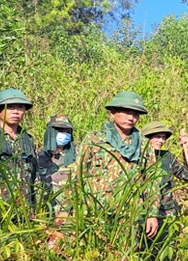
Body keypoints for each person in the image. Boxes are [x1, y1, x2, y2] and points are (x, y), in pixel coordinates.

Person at [54, 91, 160, 241]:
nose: (131, 117)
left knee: (125, 260)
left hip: (129, 215)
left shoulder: (144, 145)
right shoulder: (95, 139)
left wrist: (151, 214)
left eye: (136, 114)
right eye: (126, 112)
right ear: (113, 112)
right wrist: (65, 210)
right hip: (94, 212)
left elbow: (151, 181)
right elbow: (78, 176)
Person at [142, 121, 188, 247]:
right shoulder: (138, 158)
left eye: (163, 137)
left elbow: (187, 175)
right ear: (147, 138)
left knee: (164, 252)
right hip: (143, 214)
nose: (161, 140)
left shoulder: (167, 157)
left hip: (165, 214)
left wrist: (187, 150)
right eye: (157, 137)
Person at [37, 114, 76, 198]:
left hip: (67, 207)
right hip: (44, 207)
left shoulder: (76, 157)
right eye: (60, 131)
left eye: (67, 131)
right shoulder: (37, 157)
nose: (64, 134)